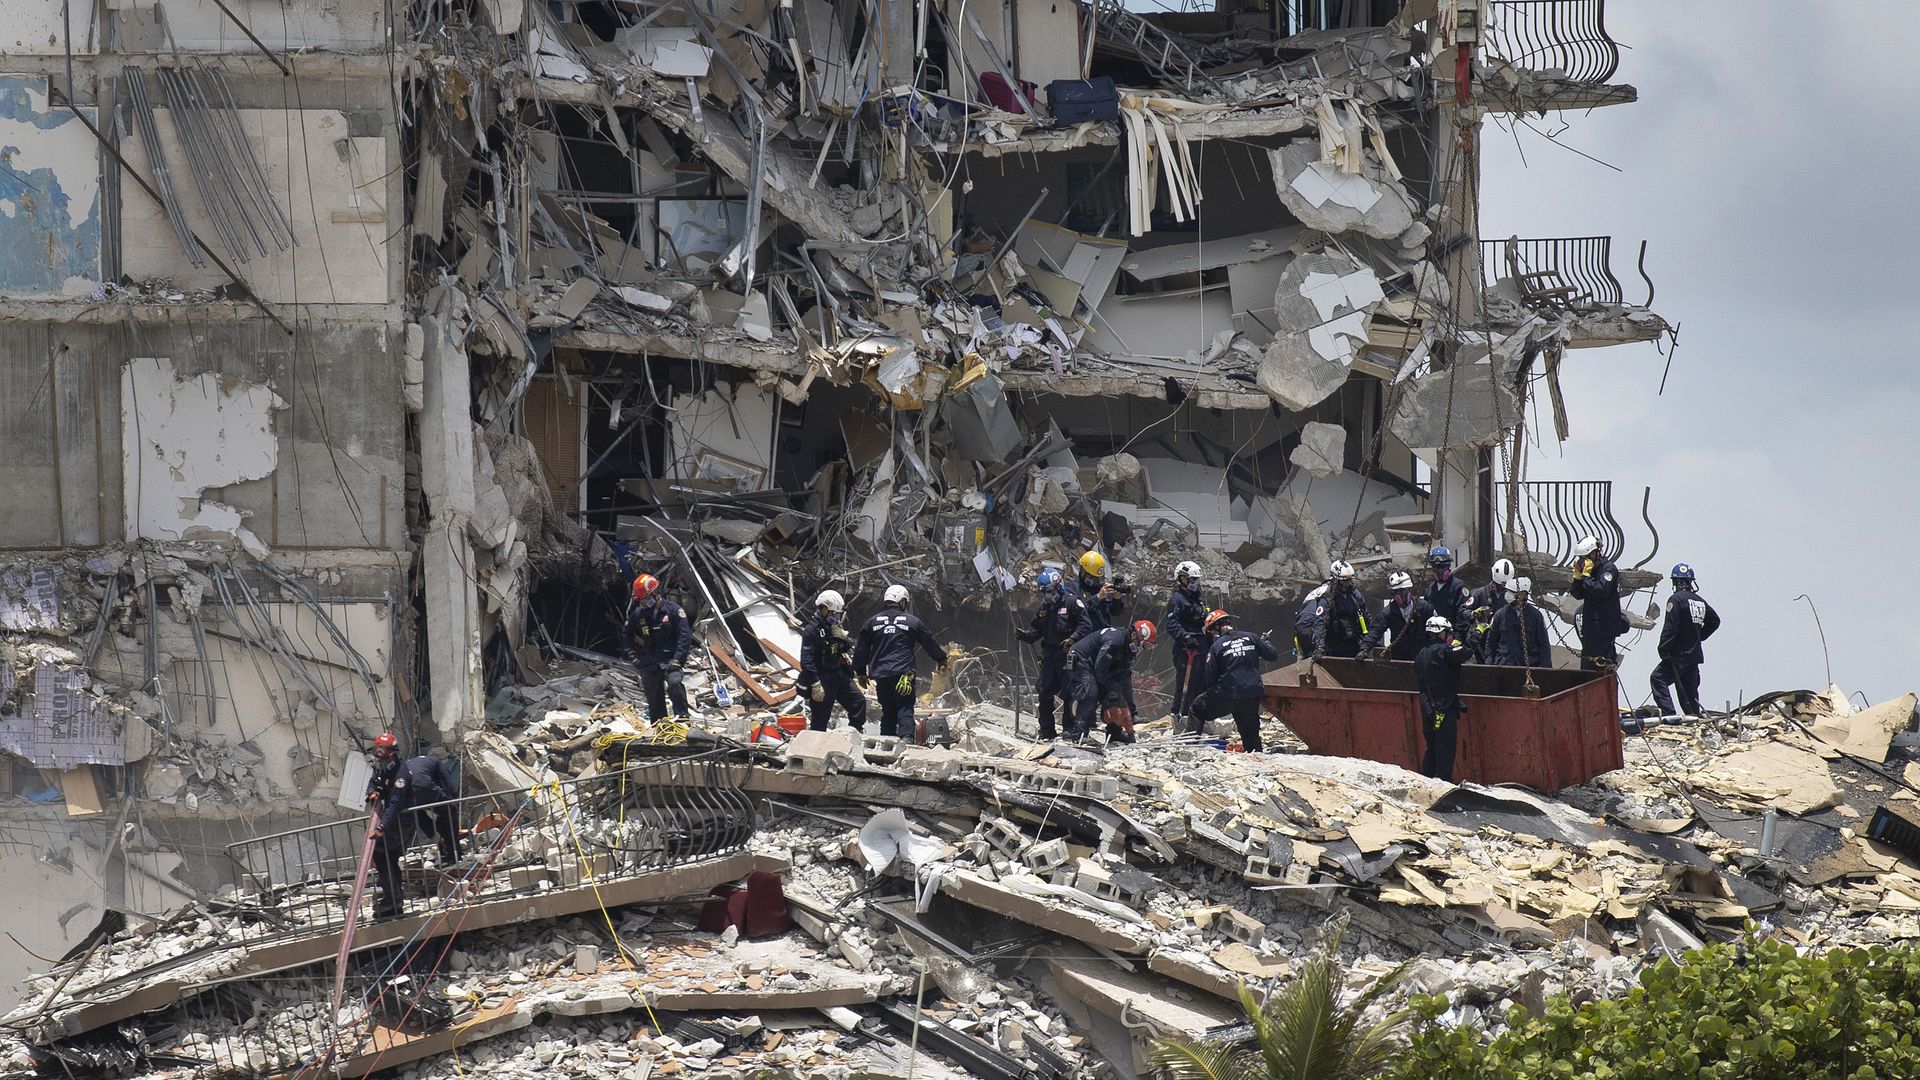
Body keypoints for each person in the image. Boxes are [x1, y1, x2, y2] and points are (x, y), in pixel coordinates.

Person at [366, 735, 461, 919]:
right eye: (377, 753)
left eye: (381, 753)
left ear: (391, 754)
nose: (378, 757)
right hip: (402, 818)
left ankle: (393, 900)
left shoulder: (400, 775)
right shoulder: (384, 768)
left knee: (383, 854)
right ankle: (393, 901)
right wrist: (373, 791)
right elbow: (375, 780)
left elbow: (395, 803)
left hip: (401, 822)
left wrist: (382, 825)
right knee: (386, 856)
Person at [852, 585, 949, 742]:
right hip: (904, 673)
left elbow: (861, 649)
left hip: (882, 674)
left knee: (888, 710)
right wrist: (941, 659)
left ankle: (886, 742)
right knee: (904, 707)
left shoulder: (872, 622)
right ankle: (907, 740)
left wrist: (860, 672)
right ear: (902, 601)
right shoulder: (912, 621)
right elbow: (928, 642)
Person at [1189, 610, 1281, 753]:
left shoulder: (1217, 646)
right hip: (1252, 694)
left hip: (1228, 694)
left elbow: (1209, 677)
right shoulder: (1252, 637)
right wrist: (1266, 642)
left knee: (1196, 709)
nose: (1212, 635)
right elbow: (1272, 655)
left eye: (1211, 632)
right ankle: (1257, 758)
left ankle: (1190, 747)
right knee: (1250, 734)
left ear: (1216, 628)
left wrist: (1215, 692)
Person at [1016, 567, 1090, 741]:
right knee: (1044, 691)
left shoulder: (1072, 603)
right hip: (1050, 656)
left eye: (1050, 591)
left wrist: (1072, 639)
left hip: (1067, 655)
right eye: (1045, 592)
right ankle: (1047, 730)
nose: (1048, 595)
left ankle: (1069, 728)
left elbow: (1085, 625)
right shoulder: (1044, 608)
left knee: (1070, 693)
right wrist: (1024, 635)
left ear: (1058, 587)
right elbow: (1036, 631)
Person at [1068, 620, 1157, 743]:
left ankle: (1114, 733)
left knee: (1117, 692)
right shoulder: (1115, 641)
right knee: (1091, 693)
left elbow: (1124, 678)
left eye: (1148, 647)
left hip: (1098, 665)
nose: (1142, 648)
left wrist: (1129, 710)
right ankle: (1079, 735)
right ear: (1135, 635)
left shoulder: (1129, 647)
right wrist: (1113, 686)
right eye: (1144, 644)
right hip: (1082, 660)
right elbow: (1100, 669)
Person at [1650, 563, 1720, 718]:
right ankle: (1694, 718)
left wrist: (1663, 648)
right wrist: (1698, 636)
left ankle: (1669, 715)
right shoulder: (1699, 601)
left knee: (1657, 678)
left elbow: (1671, 627)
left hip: (1678, 654)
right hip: (1694, 654)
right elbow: (1715, 621)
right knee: (1689, 691)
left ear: (1675, 582)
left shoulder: (1676, 600)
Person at [625, 572, 692, 721]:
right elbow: (627, 634)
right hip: (649, 661)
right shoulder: (638, 614)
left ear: (655, 592)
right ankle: (659, 726)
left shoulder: (674, 611)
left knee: (675, 684)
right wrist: (631, 653)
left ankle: (682, 719)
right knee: (653, 695)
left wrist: (678, 659)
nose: (644, 602)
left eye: (646, 598)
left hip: (670, 660)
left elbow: (684, 636)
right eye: (641, 600)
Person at [1414, 615, 1472, 781]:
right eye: (1447, 633)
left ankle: (1425, 782)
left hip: (1428, 709)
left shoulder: (1421, 654)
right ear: (1441, 633)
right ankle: (1445, 786)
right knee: (1445, 749)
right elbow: (1464, 653)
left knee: (1432, 749)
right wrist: (1479, 632)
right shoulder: (1444, 652)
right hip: (1444, 708)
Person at [798, 590, 866, 732]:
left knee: (858, 702)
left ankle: (854, 734)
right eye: (833, 613)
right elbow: (806, 659)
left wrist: (843, 638)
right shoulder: (812, 630)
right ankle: (815, 748)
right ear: (824, 609)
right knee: (820, 718)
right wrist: (815, 683)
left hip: (838, 674)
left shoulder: (834, 628)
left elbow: (846, 649)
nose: (835, 617)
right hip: (822, 678)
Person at [1569, 535, 1629, 670]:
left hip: (1604, 629)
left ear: (1595, 553)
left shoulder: (1609, 569)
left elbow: (1601, 589)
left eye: (1585, 557)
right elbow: (1577, 594)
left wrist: (1586, 577)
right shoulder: (1590, 572)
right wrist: (1578, 578)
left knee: (1602, 666)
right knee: (1587, 666)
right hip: (1590, 629)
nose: (1583, 561)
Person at [1162, 560, 1208, 719]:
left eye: (1196, 580)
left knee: (1200, 684)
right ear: (1182, 579)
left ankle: (1196, 716)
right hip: (1186, 649)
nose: (1195, 583)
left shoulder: (1197, 600)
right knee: (1184, 685)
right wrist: (1186, 637)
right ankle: (1179, 715)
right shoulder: (1177, 599)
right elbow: (1171, 623)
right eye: (1192, 580)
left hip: (1201, 647)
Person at [1361, 571, 1433, 661]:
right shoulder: (1388, 612)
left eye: (1404, 591)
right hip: (1400, 659)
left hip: (1422, 657)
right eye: (1397, 592)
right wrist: (1364, 649)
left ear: (1409, 590)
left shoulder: (1423, 607)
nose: (1401, 595)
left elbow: (1437, 624)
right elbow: (1375, 632)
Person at [1485, 577, 1550, 667]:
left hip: (1528, 667)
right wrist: (1488, 665)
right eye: (1508, 591)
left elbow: (1543, 645)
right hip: (1504, 666)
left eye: (1512, 592)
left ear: (1522, 594)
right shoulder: (1500, 615)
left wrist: (1545, 670)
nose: (1508, 594)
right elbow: (1491, 642)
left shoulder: (1535, 616)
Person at [1312, 561, 1369, 659]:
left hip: (1355, 645)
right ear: (1335, 580)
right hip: (1335, 648)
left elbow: (1367, 618)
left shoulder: (1355, 596)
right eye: (1344, 581)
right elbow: (1320, 624)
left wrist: (1370, 644)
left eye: (1349, 580)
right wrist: (1319, 646)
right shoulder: (1327, 599)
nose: (1347, 584)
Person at [1071, 550, 1127, 632]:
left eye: (1097, 578)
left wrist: (1117, 599)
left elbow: (1116, 612)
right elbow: (1075, 611)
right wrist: (1097, 597)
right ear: (1082, 571)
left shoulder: (1100, 588)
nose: (1094, 581)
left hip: (1102, 634)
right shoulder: (1073, 587)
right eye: (1091, 577)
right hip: (1084, 636)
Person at [1423, 545, 1472, 633]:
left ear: (1448, 566)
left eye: (1442, 567)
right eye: (1436, 568)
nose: (1439, 571)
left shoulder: (1459, 587)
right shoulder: (1429, 590)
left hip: (1453, 635)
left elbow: (1463, 615)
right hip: (1434, 637)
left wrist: (1457, 638)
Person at [1291, 581, 1330, 662]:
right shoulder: (1329, 591)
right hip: (1312, 623)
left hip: (1300, 627)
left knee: (1304, 656)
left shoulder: (1311, 594)